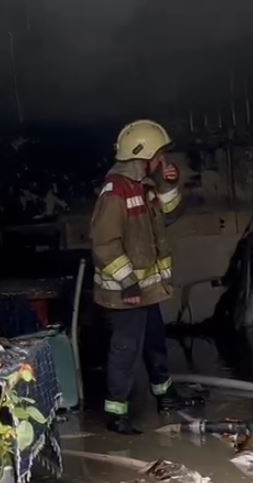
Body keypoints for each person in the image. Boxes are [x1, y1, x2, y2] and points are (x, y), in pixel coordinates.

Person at [91, 119, 198, 435]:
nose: (162, 161)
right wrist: (128, 283)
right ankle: (117, 412)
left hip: (147, 290)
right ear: (143, 156)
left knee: (155, 342)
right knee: (125, 350)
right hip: (126, 293)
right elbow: (104, 245)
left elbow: (171, 214)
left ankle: (165, 395)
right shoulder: (115, 193)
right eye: (159, 156)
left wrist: (167, 183)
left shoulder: (146, 185)